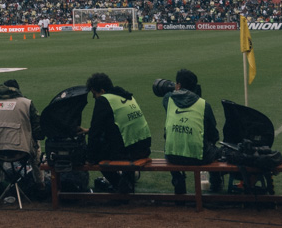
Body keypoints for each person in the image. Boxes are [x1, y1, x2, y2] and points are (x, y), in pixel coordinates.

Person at [84, 72, 150, 194]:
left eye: (94, 94)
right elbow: (118, 126)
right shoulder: (126, 96)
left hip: (130, 152)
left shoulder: (104, 100)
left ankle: (119, 185)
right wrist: (89, 131)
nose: (94, 98)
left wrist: (90, 157)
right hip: (144, 147)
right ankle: (126, 180)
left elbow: (96, 133)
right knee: (113, 145)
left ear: (102, 91)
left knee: (98, 155)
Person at [160, 69, 220, 197]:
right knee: (217, 151)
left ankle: (178, 181)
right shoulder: (204, 105)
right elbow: (214, 134)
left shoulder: (168, 100)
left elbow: (168, 96)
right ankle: (216, 187)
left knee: (171, 141)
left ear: (178, 85)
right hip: (198, 157)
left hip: (172, 155)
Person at [0, 78, 43, 194]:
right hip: (21, 151)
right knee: (36, 146)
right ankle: (40, 186)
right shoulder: (26, 103)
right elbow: (38, 132)